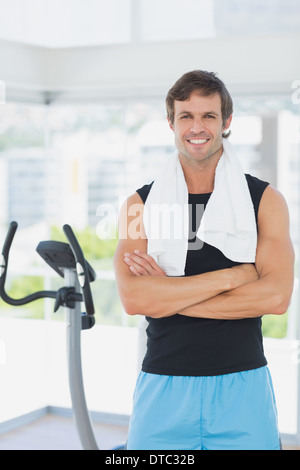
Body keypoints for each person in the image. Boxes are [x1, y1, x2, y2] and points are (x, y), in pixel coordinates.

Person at [113, 70, 295, 450]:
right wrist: (232, 277)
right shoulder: (138, 205)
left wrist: (169, 295)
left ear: (226, 122)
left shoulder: (265, 201)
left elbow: (276, 298)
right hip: (164, 385)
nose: (197, 127)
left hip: (242, 384)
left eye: (209, 116)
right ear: (171, 123)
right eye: (186, 116)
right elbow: (135, 300)